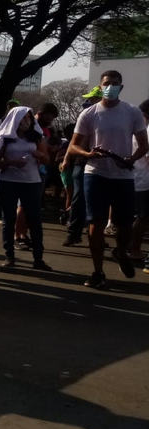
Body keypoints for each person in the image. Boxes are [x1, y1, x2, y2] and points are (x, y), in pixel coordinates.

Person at [66, 71, 149, 288]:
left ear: (121, 87)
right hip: (95, 174)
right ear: (100, 86)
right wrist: (87, 155)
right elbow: (73, 145)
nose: (110, 87)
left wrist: (131, 158)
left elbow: (143, 144)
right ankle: (98, 272)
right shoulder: (89, 114)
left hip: (123, 176)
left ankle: (120, 251)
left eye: (114, 84)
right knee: (96, 224)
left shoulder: (132, 112)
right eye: (106, 83)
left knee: (124, 226)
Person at [0, 106, 52, 271]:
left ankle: (38, 258)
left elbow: (47, 161)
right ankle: (9, 256)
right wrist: (10, 162)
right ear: (14, 120)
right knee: (8, 219)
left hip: (31, 182)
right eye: (23, 118)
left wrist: (40, 156)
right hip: (8, 181)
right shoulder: (5, 138)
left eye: (29, 119)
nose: (26, 122)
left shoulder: (36, 137)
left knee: (34, 220)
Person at [130, 100, 149, 269]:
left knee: (141, 218)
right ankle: (134, 249)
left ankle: (132, 249)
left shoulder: (139, 130)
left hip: (137, 179)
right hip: (143, 181)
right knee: (142, 218)